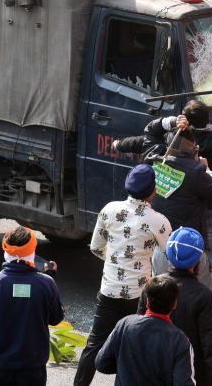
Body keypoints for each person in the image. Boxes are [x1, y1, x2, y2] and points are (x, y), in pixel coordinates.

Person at [116, 83, 212, 330]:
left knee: (169, 275)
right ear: (208, 120)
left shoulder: (171, 145)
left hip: (180, 221)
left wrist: (123, 143)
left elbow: (144, 139)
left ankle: (167, 325)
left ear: (183, 120)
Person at [74, 164, 172, 386]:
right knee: (133, 347)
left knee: (94, 344)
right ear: (153, 191)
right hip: (140, 294)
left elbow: (96, 247)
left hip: (109, 289)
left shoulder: (109, 209)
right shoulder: (159, 221)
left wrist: (115, 261)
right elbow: (170, 254)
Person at [0, 226, 65, 386]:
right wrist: (49, 279)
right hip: (33, 369)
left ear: (5, 250)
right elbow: (56, 318)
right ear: (33, 250)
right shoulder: (46, 283)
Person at [138, 227, 212, 386]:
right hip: (192, 376)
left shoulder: (151, 287)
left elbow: (139, 332)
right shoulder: (203, 295)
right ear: (197, 260)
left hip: (154, 374)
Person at [149, 128, 212, 285]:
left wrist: (167, 122)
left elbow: (150, 132)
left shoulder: (155, 161)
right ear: (192, 149)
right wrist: (208, 169)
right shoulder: (196, 171)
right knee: (195, 289)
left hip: (160, 240)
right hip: (186, 243)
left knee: (160, 289)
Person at [95, 275, 195, 386]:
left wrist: (125, 369)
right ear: (174, 304)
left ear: (147, 301)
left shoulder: (125, 324)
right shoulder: (180, 340)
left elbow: (101, 363)